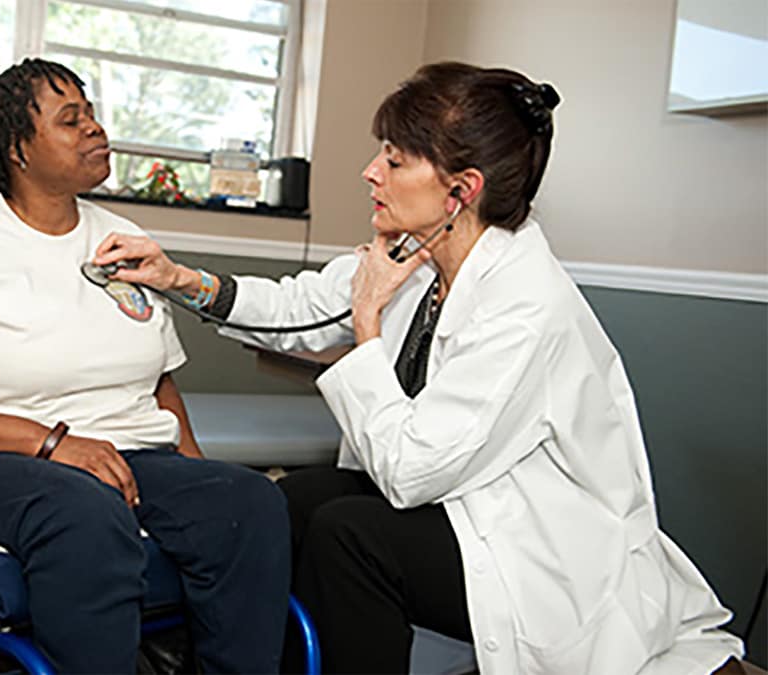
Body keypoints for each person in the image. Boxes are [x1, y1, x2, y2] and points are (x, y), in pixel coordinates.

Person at [93, 62, 745, 674]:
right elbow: (300, 306)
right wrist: (178, 277)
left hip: (540, 548)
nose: (370, 171)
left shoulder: (525, 305)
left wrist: (369, 324)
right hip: (459, 500)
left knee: (352, 537)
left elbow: (407, 473)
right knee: (281, 503)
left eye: (395, 159)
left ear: (461, 191)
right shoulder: (418, 253)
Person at [0, 58, 289, 674]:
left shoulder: (119, 238)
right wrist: (53, 444)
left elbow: (158, 381)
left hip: (119, 456)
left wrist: (196, 472)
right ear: (18, 149)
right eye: (71, 119)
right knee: (84, 509)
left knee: (249, 502)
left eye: (90, 113)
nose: (95, 128)